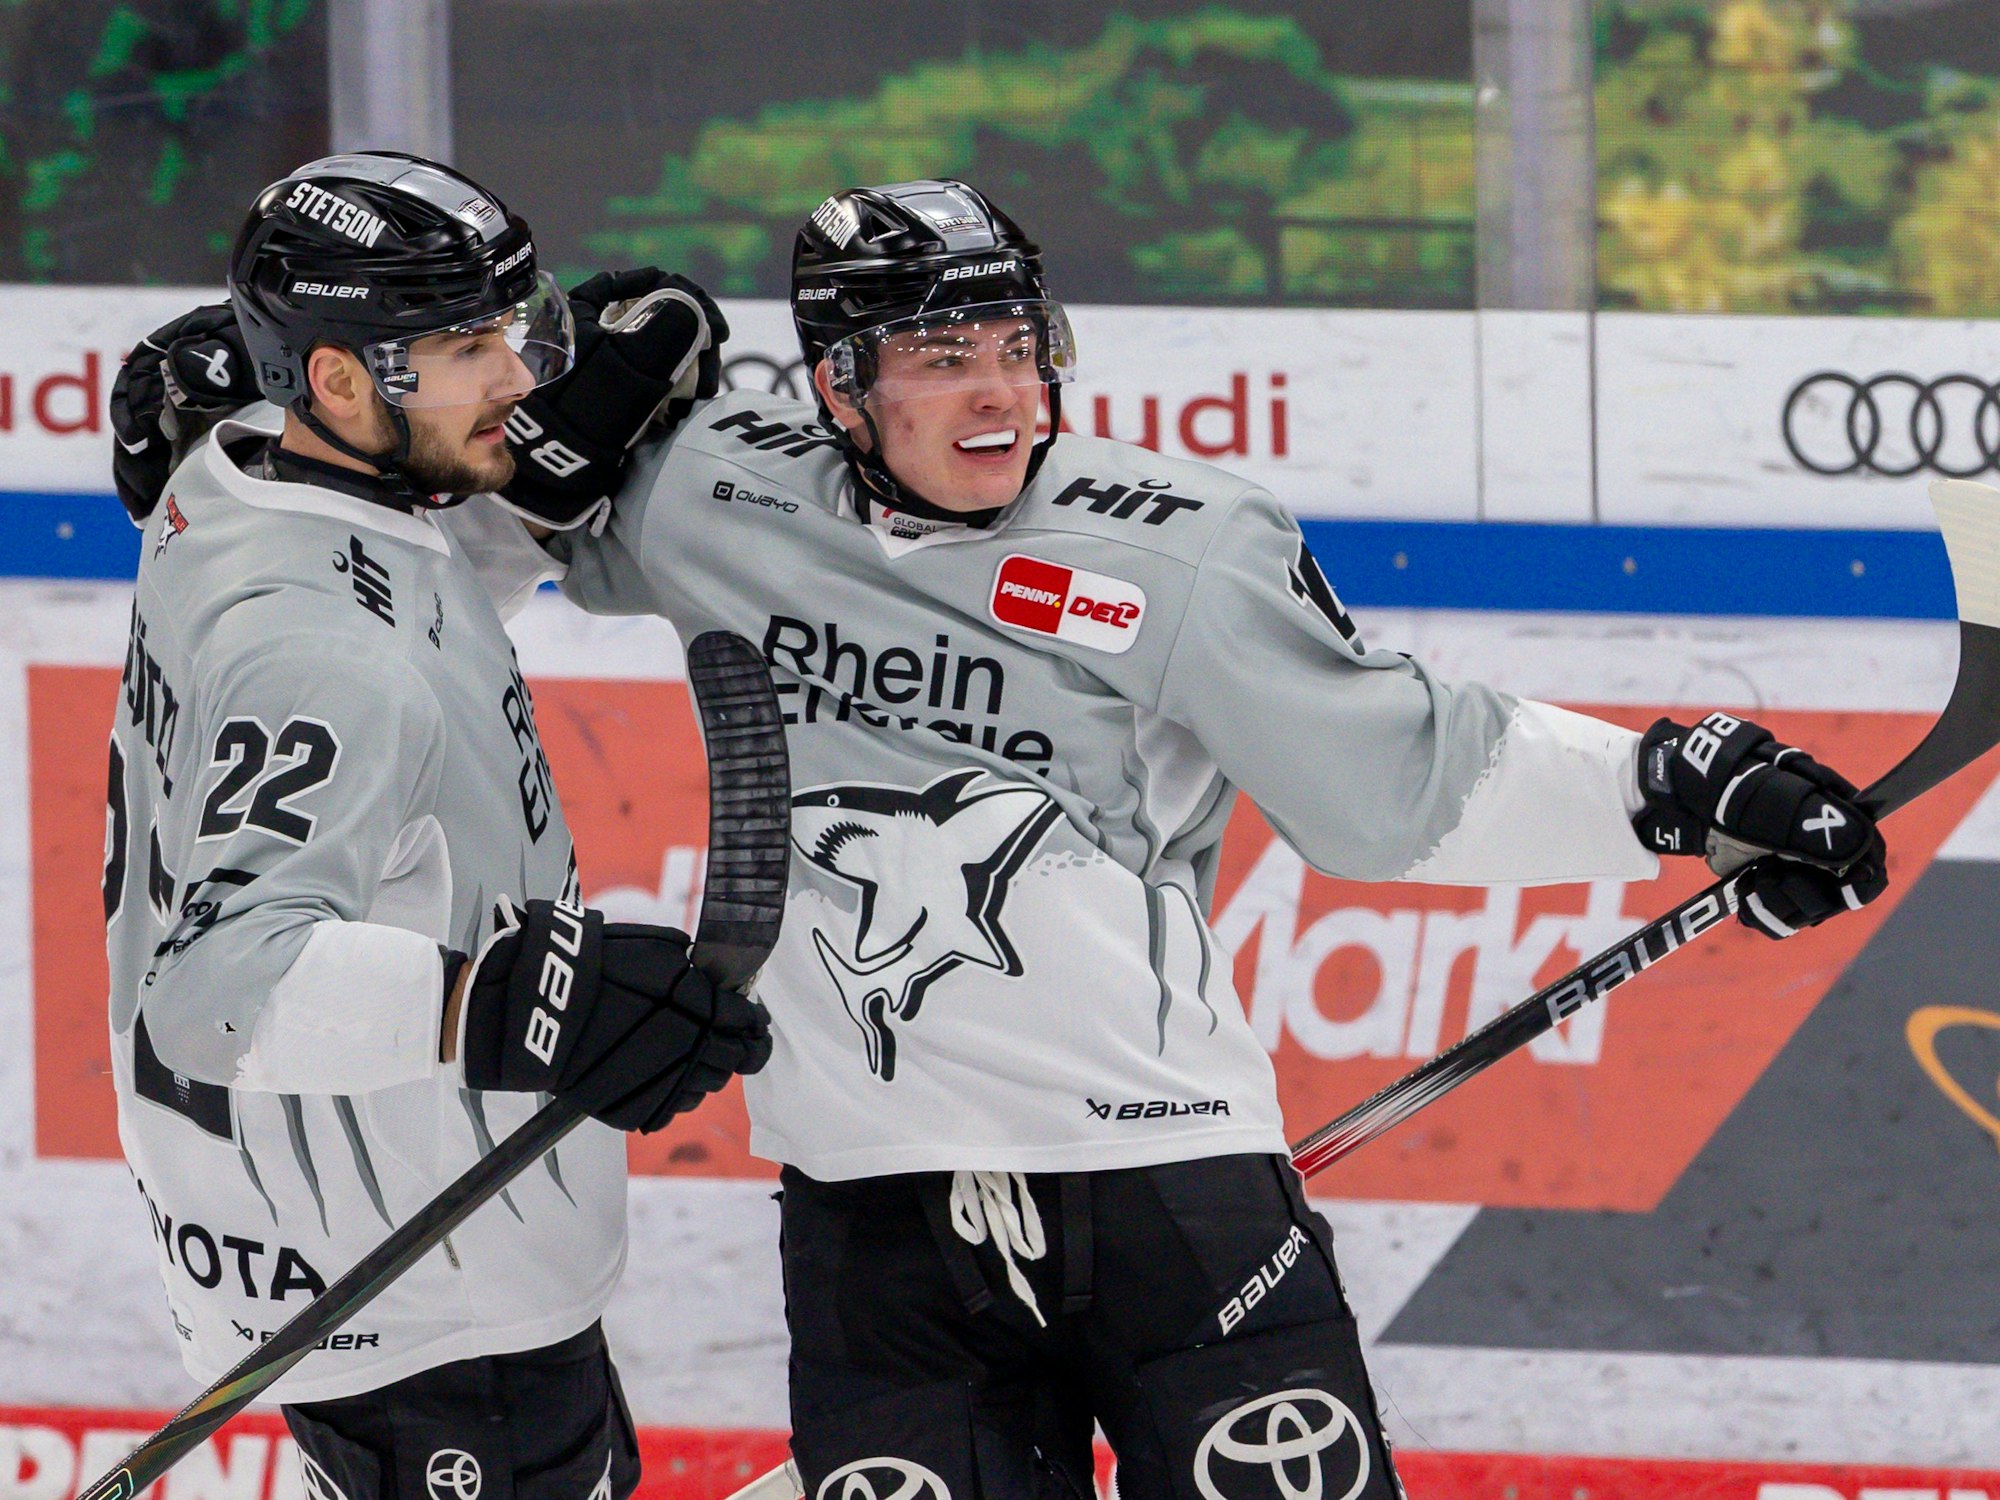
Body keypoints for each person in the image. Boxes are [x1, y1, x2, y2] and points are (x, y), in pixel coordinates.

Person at [120, 178, 1888, 1500]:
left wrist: (1682, 785)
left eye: (1016, 349)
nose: (997, 398)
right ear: (834, 382)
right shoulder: (710, 495)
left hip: (1169, 1187)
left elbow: (1403, 774)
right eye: (936, 359)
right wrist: (238, 435)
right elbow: (426, 514)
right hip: (873, 1216)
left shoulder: (1176, 545)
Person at [103, 152, 769, 1500]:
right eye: (469, 349)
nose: (519, 376)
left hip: (336, 1245)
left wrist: (536, 485)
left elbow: (396, 588)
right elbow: (219, 995)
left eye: (511, 332)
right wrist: (526, 1003)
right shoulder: (317, 654)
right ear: (338, 379)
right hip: (414, 1278)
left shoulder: (233, 478)